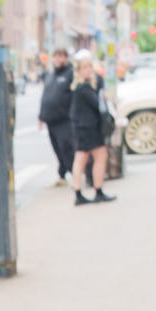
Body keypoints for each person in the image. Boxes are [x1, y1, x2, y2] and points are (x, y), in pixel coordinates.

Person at [70, 52, 116, 206]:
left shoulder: (81, 86)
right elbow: (97, 104)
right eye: (85, 67)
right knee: (98, 157)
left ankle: (80, 192)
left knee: (81, 158)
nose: (88, 70)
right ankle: (97, 190)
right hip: (89, 128)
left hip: (82, 127)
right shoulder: (84, 87)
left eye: (90, 66)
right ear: (78, 70)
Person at [38, 47, 75, 185]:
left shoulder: (70, 74)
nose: (58, 59)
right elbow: (46, 96)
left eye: (61, 56)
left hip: (64, 119)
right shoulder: (51, 75)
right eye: (56, 56)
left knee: (66, 148)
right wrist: (41, 116)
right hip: (51, 120)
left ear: (66, 58)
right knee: (58, 149)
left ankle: (74, 173)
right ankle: (62, 174)